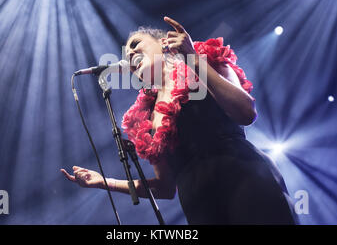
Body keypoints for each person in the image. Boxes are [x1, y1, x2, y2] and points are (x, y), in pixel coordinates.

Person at [61, 16, 297, 224]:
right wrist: (105, 182)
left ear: (164, 43)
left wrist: (193, 59)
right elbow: (165, 188)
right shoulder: (145, 118)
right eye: (126, 54)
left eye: (135, 45)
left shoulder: (204, 61)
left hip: (244, 176)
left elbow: (246, 112)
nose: (130, 53)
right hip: (198, 203)